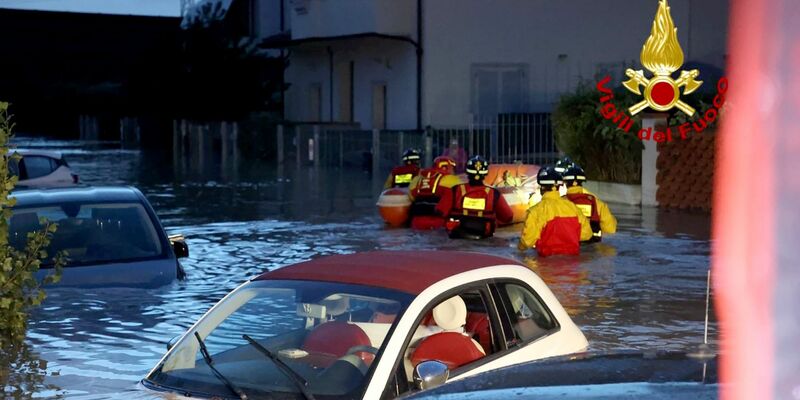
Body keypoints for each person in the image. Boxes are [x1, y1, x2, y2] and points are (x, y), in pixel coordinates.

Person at [518, 166, 592, 256]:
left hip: (545, 264)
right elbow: (587, 234)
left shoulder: (535, 211)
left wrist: (519, 248)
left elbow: (527, 242)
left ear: (542, 187)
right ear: (559, 187)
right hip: (573, 264)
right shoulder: (573, 208)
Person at [436, 155, 513, 239]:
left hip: (457, 237)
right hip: (484, 238)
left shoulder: (455, 190)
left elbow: (440, 212)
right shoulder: (494, 194)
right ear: (486, 174)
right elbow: (508, 217)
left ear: (467, 172)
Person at [563, 165, 617, 242]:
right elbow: (610, 229)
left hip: (569, 244)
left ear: (565, 183)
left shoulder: (560, 203)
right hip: (592, 244)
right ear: (582, 182)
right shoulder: (597, 203)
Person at [408, 156, 461, 230]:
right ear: (449, 167)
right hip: (438, 222)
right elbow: (460, 197)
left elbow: (410, 197)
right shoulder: (452, 179)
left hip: (416, 222)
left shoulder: (417, 179)